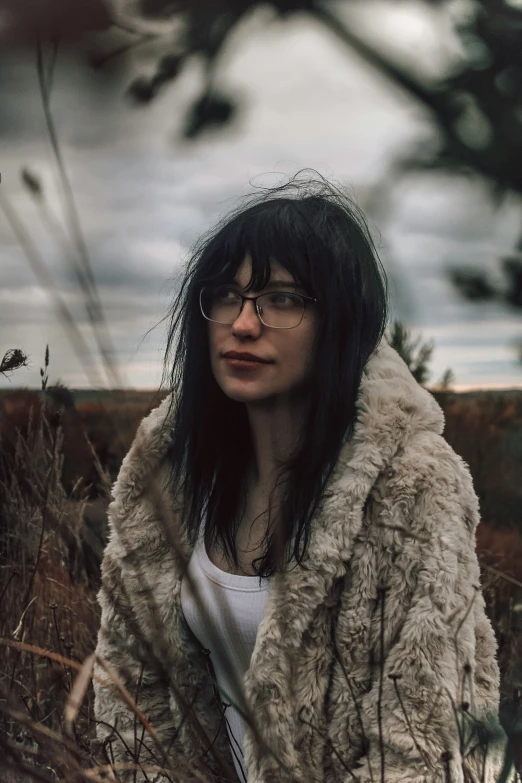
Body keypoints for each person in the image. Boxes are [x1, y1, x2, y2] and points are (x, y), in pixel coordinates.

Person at [93, 171, 507, 783]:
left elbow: (422, 742)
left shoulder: (415, 485)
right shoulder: (164, 475)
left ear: (341, 321)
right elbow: (129, 695)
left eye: (283, 299)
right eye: (226, 296)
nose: (243, 323)